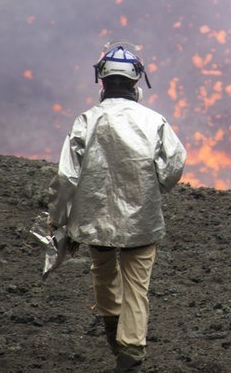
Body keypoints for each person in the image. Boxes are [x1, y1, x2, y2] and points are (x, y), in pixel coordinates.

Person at [47, 41, 187, 371]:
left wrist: (59, 220)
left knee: (104, 275)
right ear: (136, 83)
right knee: (137, 287)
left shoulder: (85, 121)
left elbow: (67, 175)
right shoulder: (154, 121)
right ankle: (132, 352)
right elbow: (176, 161)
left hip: (94, 221)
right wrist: (160, 183)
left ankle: (113, 330)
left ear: (102, 82)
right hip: (142, 221)